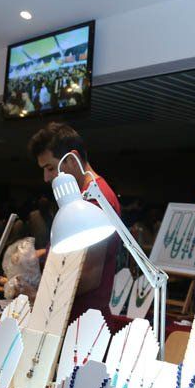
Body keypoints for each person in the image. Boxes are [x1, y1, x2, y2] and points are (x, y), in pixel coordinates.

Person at [28, 122, 120, 321]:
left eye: (50, 168)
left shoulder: (97, 199)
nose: (46, 177)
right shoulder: (79, 199)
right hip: (70, 317)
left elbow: (89, 275)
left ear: (72, 159)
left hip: (83, 322)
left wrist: (41, 297)